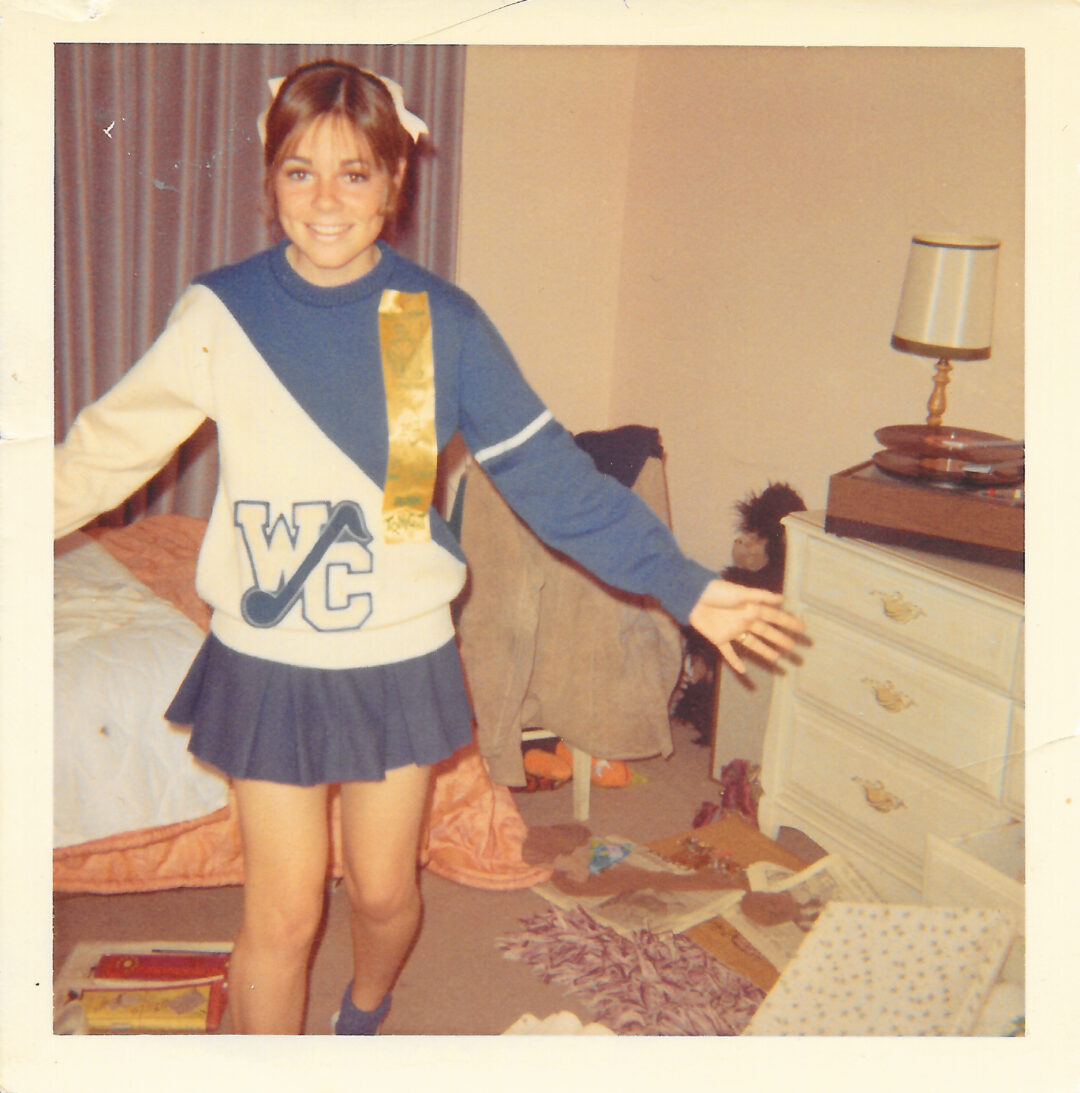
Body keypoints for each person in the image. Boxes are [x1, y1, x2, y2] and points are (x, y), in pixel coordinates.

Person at [54, 59, 804, 1035]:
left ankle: (368, 1003)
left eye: (355, 173)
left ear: (394, 183)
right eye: (299, 171)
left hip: (393, 658)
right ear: (268, 178)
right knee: (278, 916)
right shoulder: (221, 311)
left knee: (378, 894)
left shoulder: (438, 325)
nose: (325, 201)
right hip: (270, 658)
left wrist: (684, 583)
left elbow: (553, 481)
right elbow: (103, 451)